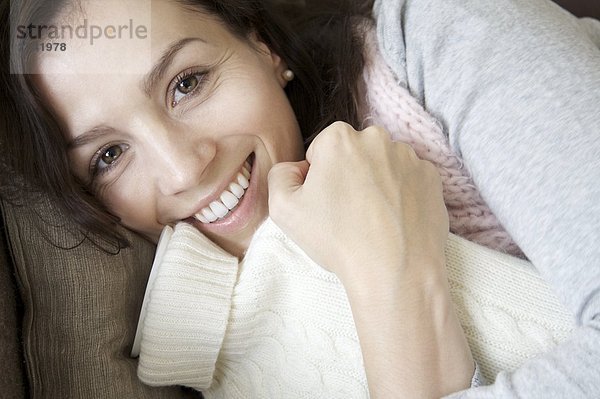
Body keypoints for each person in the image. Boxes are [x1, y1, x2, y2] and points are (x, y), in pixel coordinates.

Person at [0, 0, 598, 397]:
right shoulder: (227, 348)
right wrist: (387, 273)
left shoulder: (443, 30)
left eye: (187, 83)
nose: (183, 168)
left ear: (263, 47)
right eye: (109, 156)